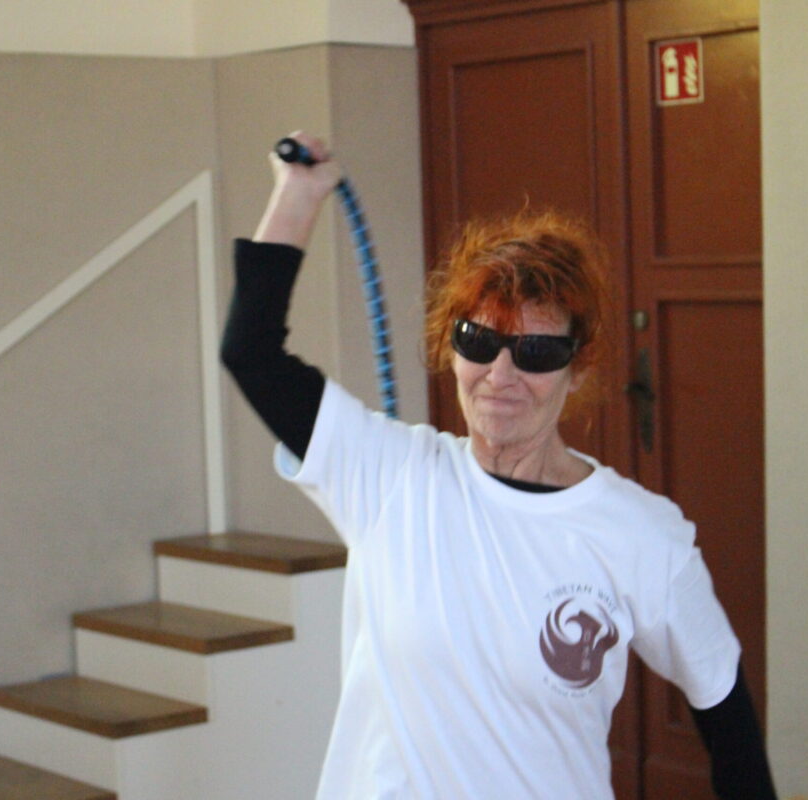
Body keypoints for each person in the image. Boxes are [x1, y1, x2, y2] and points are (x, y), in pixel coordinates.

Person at [221, 131, 776, 800]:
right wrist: (299, 195)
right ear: (450, 348)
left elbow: (726, 715)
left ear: (578, 369)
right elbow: (251, 352)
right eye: (478, 341)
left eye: (536, 353)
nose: (501, 375)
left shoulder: (641, 534)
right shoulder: (389, 476)